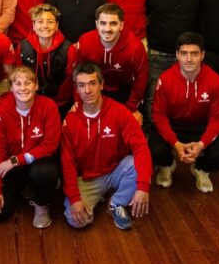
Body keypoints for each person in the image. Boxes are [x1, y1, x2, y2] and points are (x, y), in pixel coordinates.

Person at [61, 62, 151, 230]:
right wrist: (74, 198)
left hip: (116, 170)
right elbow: (67, 163)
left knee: (136, 164)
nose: (87, 90)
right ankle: (98, 195)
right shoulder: (70, 121)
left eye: (92, 83)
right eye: (82, 85)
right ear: (76, 89)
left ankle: (117, 203)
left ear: (101, 85)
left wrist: (143, 187)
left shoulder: (119, 112)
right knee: (77, 221)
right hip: (87, 179)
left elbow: (141, 147)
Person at [151, 32, 219, 193]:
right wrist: (175, 143)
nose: (189, 59)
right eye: (184, 53)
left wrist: (202, 144)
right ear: (177, 55)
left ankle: (200, 168)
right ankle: (167, 165)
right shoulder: (166, 79)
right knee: (153, 150)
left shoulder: (215, 80)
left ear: (202, 55)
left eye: (194, 54)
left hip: (201, 124)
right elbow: (159, 115)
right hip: (174, 123)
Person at [0, 67, 61, 228]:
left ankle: (41, 203)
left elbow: (50, 145)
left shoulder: (49, 106)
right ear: (11, 87)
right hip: (10, 167)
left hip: (37, 162)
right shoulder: (1, 111)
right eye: (17, 83)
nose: (23, 88)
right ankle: (23, 188)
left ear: (36, 85)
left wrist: (15, 160)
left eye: (28, 83)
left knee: (46, 172)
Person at [143, 0, 201, 125]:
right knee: (153, 97)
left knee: (184, 98)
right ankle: (151, 133)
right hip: (158, 55)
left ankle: (176, 134)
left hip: (186, 57)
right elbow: (144, 16)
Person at [74, 4, 148, 120]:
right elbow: (77, 75)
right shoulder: (85, 41)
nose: (107, 29)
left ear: (121, 25)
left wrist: (132, 107)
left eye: (113, 23)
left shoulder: (135, 47)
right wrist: (78, 101)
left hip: (122, 91)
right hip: (94, 89)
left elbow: (141, 78)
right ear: (96, 24)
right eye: (103, 23)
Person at [16, 4, 73, 108]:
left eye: (50, 22)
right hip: (31, 100)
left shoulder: (69, 49)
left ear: (56, 25)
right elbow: (20, 76)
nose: (45, 26)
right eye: (40, 21)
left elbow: (68, 80)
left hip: (59, 102)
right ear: (33, 26)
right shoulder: (22, 47)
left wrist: (56, 103)